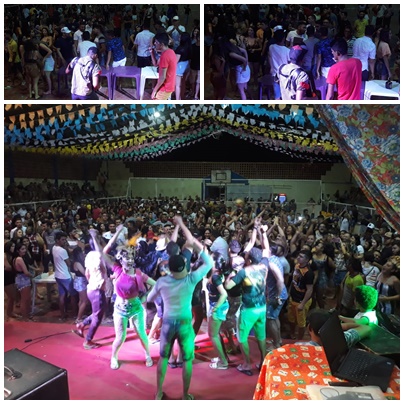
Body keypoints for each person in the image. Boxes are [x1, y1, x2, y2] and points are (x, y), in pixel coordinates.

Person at [147, 227, 214, 400]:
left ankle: (158, 392)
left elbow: (149, 298)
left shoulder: (162, 281)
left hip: (168, 323)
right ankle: (185, 395)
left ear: (169, 268)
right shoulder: (191, 279)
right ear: (184, 265)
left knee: (163, 358)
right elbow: (208, 263)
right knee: (187, 360)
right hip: (185, 324)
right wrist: (195, 242)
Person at [100, 227, 156, 370]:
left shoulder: (138, 273)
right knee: (120, 337)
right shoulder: (117, 270)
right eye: (127, 257)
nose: (130, 260)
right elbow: (103, 254)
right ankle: (114, 357)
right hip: (120, 309)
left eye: (132, 257)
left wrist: (146, 296)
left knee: (142, 334)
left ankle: (147, 355)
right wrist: (117, 232)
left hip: (136, 307)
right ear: (121, 259)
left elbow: (156, 285)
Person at [225, 220, 270, 376]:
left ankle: (246, 365)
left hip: (249, 309)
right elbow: (266, 249)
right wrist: (263, 232)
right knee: (261, 336)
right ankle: (263, 361)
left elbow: (228, 286)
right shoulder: (264, 265)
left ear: (249, 259)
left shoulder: (244, 272)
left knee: (242, 337)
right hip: (262, 307)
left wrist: (231, 275)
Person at [74, 229, 108, 349]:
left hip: (91, 288)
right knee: (97, 318)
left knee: (97, 313)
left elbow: (87, 273)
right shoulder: (99, 256)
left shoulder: (89, 255)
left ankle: (81, 325)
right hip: (97, 290)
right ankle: (88, 341)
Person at [298, 308, 371, 349]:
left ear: (309, 328)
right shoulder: (342, 340)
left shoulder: (301, 347)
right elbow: (366, 328)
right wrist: (336, 326)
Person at [207, 252, 229, 371]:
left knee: (213, 335)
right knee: (216, 334)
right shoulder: (218, 274)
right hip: (218, 305)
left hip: (218, 306)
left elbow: (224, 294)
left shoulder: (215, 277)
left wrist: (215, 309)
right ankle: (222, 357)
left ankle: (223, 362)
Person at [287, 249, 314, 340]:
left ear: (307, 260)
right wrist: (289, 293)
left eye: (301, 257)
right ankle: (292, 333)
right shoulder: (297, 266)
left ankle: (299, 339)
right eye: (298, 255)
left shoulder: (308, 273)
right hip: (293, 297)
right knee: (291, 318)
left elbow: (309, 289)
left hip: (301, 300)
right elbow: (293, 281)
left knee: (301, 322)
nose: (298, 258)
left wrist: (302, 303)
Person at [52, 232, 77, 320]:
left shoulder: (54, 248)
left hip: (58, 275)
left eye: (65, 239)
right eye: (62, 240)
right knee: (73, 295)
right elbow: (69, 263)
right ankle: (74, 314)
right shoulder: (62, 251)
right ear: (57, 240)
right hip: (65, 276)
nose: (64, 241)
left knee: (62, 295)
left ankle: (62, 315)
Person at [150, 32, 177, 100]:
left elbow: (162, 77)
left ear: (161, 44)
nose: (154, 43)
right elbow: (156, 64)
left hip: (165, 87)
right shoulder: (170, 51)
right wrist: (152, 52)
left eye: (156, 42)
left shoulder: (165, 56)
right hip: (169, 85)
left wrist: (154, 91)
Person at [12, 243, 35, 321]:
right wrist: (33, 276)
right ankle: (25, 317)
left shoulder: (16, 258)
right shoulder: (19, 259)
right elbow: (26, 272)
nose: (24, 250)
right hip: (23, 280)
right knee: (25, 300)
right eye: (22, 249)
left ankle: (27, 315)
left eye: (25, 249)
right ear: (18, 250)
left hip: (20, 279)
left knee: (26, 298)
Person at [71, 246, 89, 322]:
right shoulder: (77, 263)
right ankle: (78, 318)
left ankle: (80, 315)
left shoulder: (78, 262)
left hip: (80, 281)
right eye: (82, 252)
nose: (83, 253)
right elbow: (84, 273)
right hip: (80, 282)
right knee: (84, 301)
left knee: (81, 300)